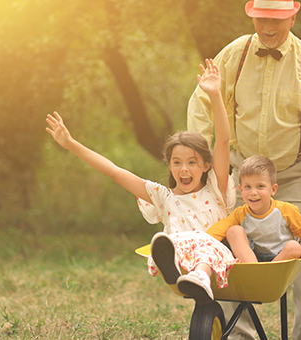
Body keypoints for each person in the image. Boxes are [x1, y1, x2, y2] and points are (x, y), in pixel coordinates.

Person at [187, 0, 301, 338]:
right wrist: (200, 161)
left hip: (297, 171)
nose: (268, 27)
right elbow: (202, 100)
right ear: (252, 16)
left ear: (292, 17)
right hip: (242, 173)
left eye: (276, 19)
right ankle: (241, 334)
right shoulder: (235, 54)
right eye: (261, 19)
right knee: (225, 246)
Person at [46, 59, 238, 301]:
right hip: (183, 259)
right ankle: (176, 265)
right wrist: (71, 144)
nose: (184, 169)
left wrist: (216, 95)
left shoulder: (215, 189)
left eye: (192, 162)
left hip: (216, 257)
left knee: (204, 240)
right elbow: (114, 171)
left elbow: (221, 141)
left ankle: (200, 274)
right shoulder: (162, 196)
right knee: (168, 241)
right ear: (169, 165)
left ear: (206, 166)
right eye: (177, 162)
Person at [151, 155, 301, 305]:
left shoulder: (286, 210)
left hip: (276, 266)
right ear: (241, 190)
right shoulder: (240, 213)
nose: (253, 192)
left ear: (273, 189)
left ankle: (259, 277)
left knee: (295, 247)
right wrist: (198, 242)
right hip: (249, 261)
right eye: (247, 187)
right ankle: (250, 273)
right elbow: (216, 232)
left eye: (260, 186)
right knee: (233, 231)